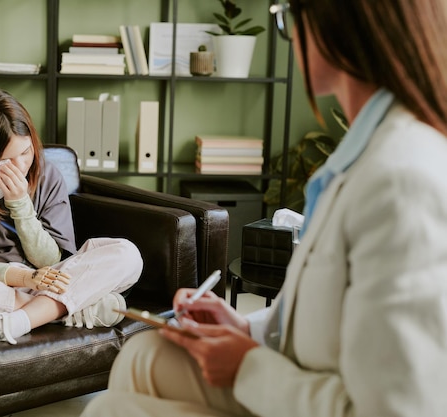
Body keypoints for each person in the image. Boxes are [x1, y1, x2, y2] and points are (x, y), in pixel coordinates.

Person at [81, 1, 447, 416]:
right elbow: (326, 307)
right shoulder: (362, 155)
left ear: (339, 20)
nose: (289, 32)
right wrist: (247, 329)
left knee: (106, 410)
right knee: (143, 355)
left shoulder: (402, 183)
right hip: (303, 380)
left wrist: (247, 367)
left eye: (290, 13)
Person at [0, 89, 143, 345]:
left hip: (52, 276)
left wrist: (21, 205)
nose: (20, 166)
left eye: (25, 152)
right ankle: (64, 311)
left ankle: (13, 322)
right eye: (6, 160)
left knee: (127, 254)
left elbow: (52, 259)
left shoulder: (47, 174)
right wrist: (25, 278)